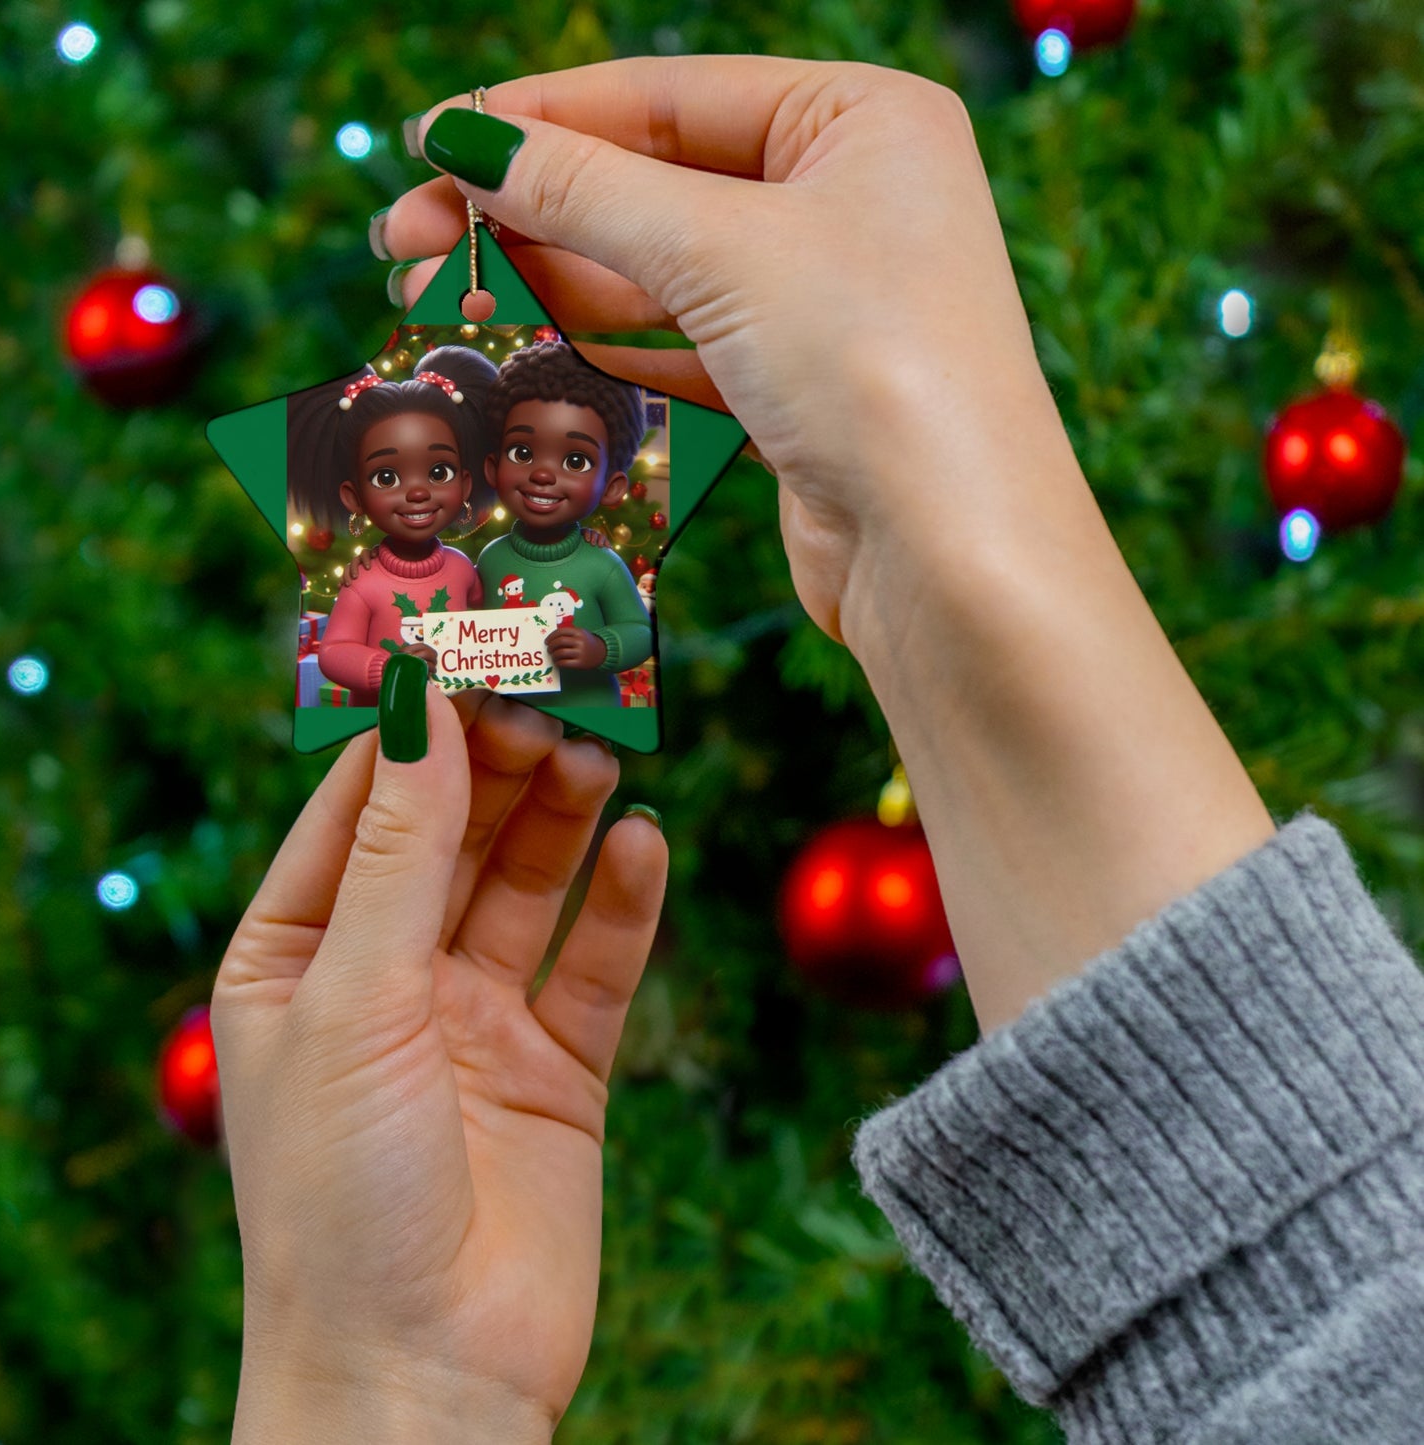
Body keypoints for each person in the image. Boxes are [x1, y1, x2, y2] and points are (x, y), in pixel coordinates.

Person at [213, 56, 1424, 1444]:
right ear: (363, 479)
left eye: (537, 457)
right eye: (416, 474)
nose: (499, 482)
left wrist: (373, 1390)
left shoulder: (582, 573)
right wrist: (392, 1387)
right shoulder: (399, 575)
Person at [286, 346, 497, 705]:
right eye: (386, 477)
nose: (417, 492)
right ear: (354, 497)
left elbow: (490, 628)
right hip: (381, 722)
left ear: (464, 484)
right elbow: (334, 652)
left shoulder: (463, 570)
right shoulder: (363, 581)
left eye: (438, 472)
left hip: (457, 718)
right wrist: (389, 668)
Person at [476, 339, 654, 707]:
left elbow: (638, 631)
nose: (542, 474)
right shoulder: (491, 560)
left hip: (584, 715)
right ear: (493, 467)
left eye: (575, 461)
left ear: (611, 486)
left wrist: (599, 647)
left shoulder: (601, 565)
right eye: (522, 453)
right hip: (506, 713)